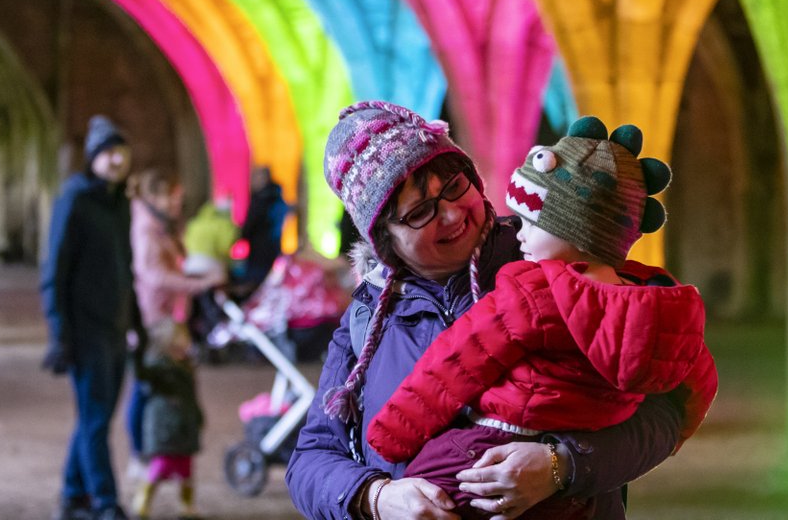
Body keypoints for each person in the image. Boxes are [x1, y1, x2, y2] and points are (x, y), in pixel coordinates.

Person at [286, 101, 687, 520]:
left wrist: (561, 465)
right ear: (384, 238)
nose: (453, 213)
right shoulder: (369, 321)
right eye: (421, 212)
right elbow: (312, 458)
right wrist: (377, 498)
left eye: (456, 186)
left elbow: (664, 415)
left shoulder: (557, 266)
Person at [40, 116, 140, 520]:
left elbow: (125, 268)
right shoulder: (75, 201)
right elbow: (55, 272)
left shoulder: (120, 205)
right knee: (96, 417)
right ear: (93, 159)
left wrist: (136, 323)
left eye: (121, 152)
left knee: (94, 416)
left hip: (114, 328)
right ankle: (105, 501)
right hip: (86, 330)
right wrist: (58, 333)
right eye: (108, 153)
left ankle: (71, 494)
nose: (116, 160)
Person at [125, 169, 221, 479]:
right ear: (155, 197)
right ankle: (140, 455)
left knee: (158, 387)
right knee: (145, 388)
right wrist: (199, 284)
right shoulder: (147, 230)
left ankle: (158, 453)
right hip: (153, 321)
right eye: (172, 197)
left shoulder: (161, 226)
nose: (177, 203)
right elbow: (154, 276)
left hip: (167, 318)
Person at [131, 319, 205, 520]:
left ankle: (187, 505)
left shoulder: (187, 367)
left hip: (185, 426)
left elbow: (192, 397)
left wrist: (198, 416)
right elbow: (141, 374)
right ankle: (143, 501)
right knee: (160, 466)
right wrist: (135, 352)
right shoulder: (157, 368)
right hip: (163, 429)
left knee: (186, 470)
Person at [181, 196, 239, 350]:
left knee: (195, 306)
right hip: (213, 268)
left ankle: (194, 340)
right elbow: (226, 248)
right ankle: (215, 338)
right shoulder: (225, 224)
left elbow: (186, 243)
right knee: (215, 304)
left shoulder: (195, 223)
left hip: (191, 267)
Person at [235, 165, 289, 298]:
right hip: (274, 248)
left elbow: (250, 226)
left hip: (259, 251)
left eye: (255, 177)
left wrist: (241, 235)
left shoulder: (261, 200)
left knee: (256, 288)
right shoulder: (279, 199)